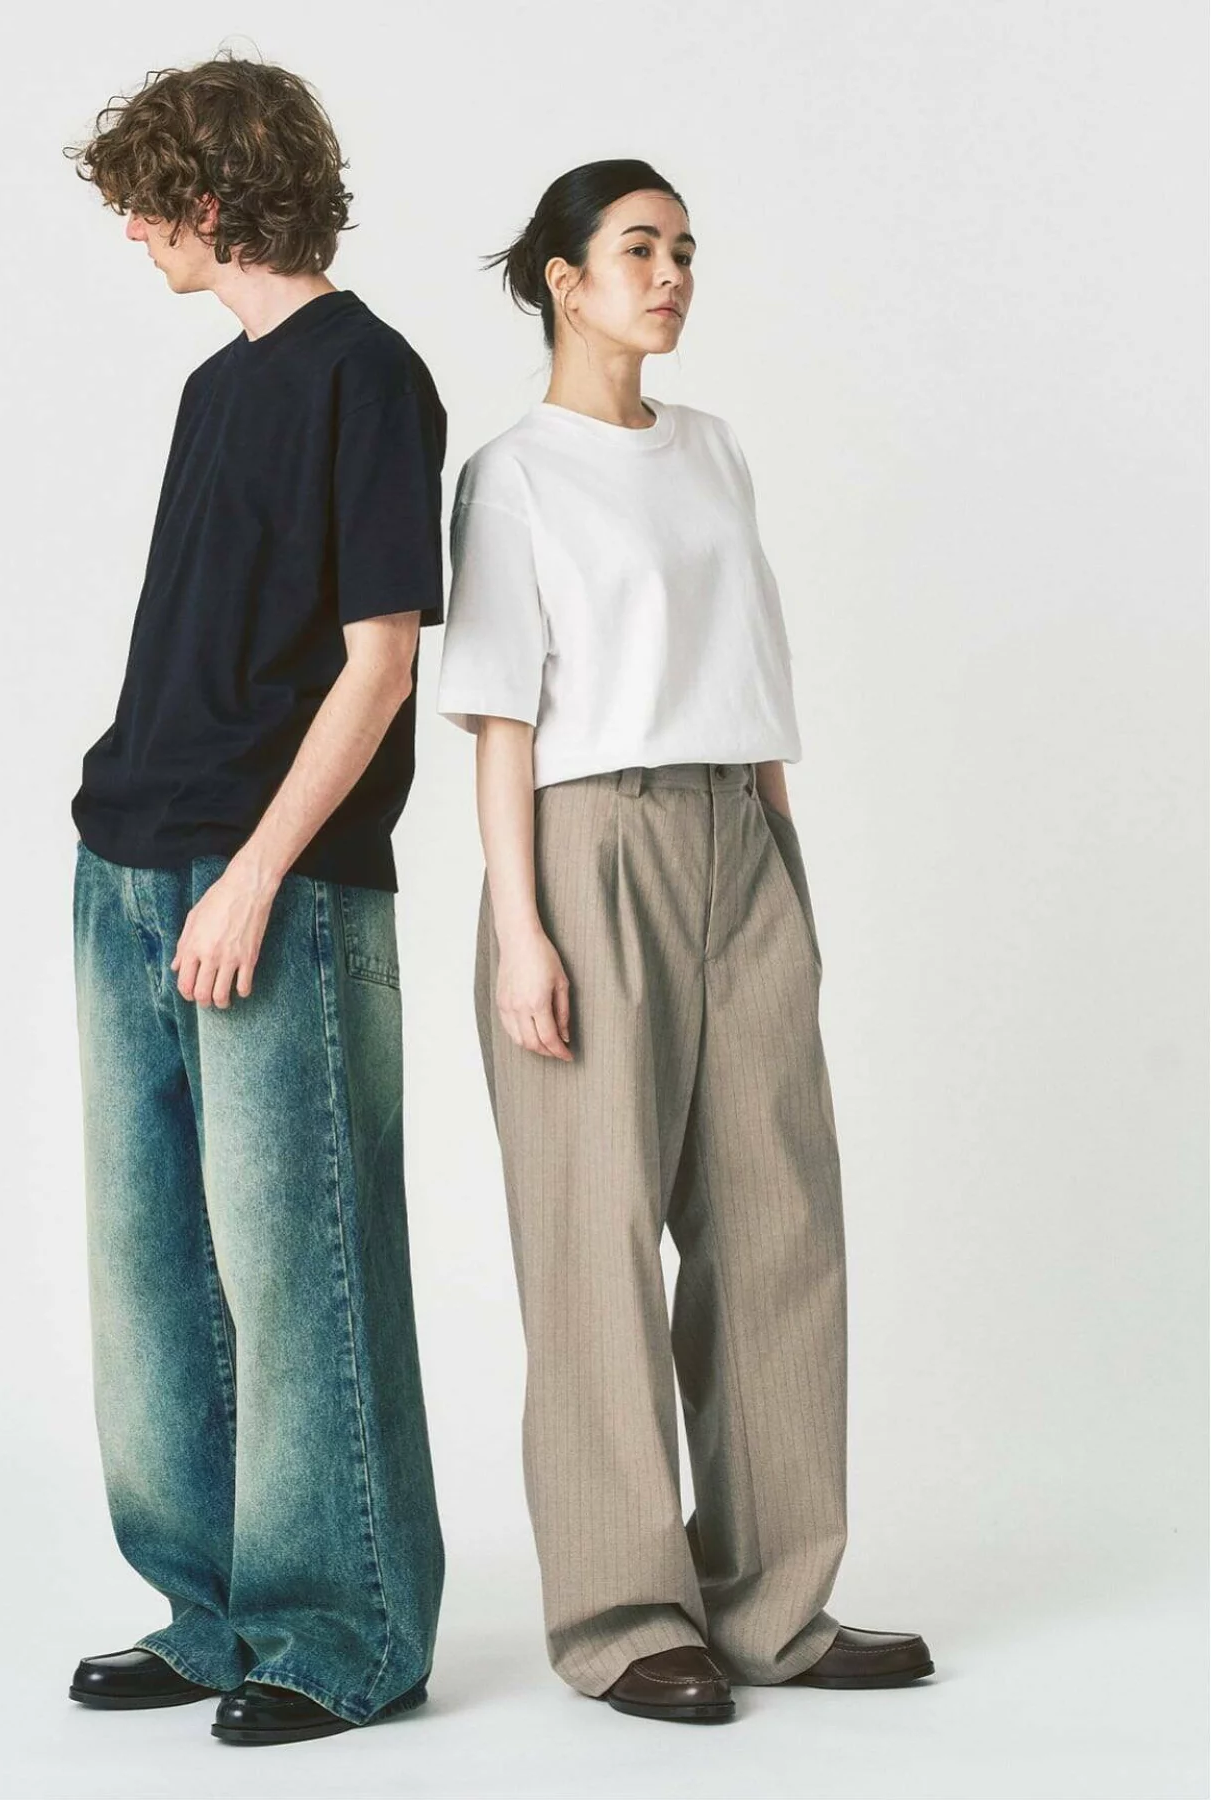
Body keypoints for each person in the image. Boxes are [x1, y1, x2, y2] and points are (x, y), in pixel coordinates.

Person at [436, 159, 932, 1724]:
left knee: (780, 1221)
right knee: (594, 1242)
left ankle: (777, 1604)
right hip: (589, 847)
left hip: (739, 835)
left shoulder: (713, 449)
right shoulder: (512, 475)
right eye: (640, 249)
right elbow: (501, 721)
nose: (673, 275)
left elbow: (755, 674)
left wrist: (786, 872)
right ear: (563, 279)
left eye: (687, 251)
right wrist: (522, 931)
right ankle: (624, 1616)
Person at [62, 54, 444, 1747]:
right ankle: (209, 1613)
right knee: (153, 1273)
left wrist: (259, 877)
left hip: (270, 880)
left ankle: (344, 1636)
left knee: (301, 1271)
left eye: (148, 202)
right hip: (131, 862)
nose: (134, 232)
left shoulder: (371, 373)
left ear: (212, 198)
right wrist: (140, 869)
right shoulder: (217, 388)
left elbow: (380, 662)